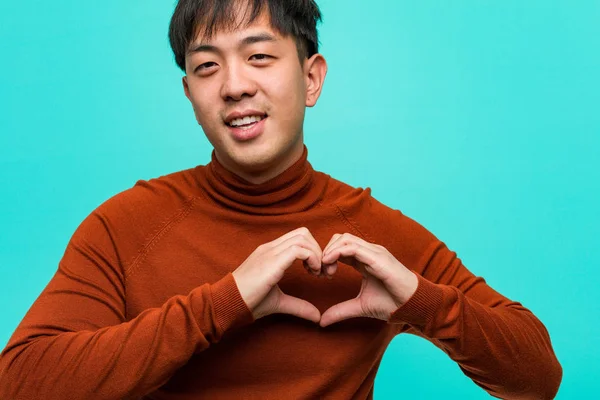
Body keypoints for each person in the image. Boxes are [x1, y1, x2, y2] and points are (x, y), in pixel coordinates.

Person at [0, 0, 562, 399]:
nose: (234, 85)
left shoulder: (374, 235)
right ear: (190, 94)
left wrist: (422, 303)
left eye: (260, 56)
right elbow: (20, 381)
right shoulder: (125, 225)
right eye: (206, 67)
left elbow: (538, 378)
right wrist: (221, 305)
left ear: (311, 78)